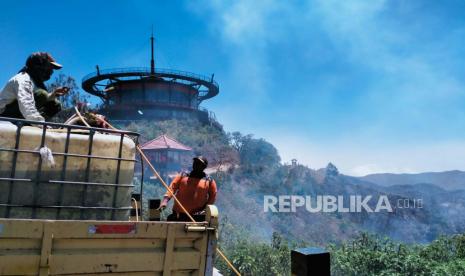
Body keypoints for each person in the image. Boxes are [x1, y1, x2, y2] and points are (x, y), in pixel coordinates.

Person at [0, 52, 69, 122]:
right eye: (49, 68)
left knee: (55, 104)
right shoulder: (23, 79)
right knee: (42, 94)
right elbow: (27, 105)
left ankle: (32, 123)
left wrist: (54, 94)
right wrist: (42, 125)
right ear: (38, 67)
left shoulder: (34, 81)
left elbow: (32, 98)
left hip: (16, 112)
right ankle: (32, 123)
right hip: (3, 115)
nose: (51, 72)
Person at [159, 156, 217, 222]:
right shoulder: (183, 176)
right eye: (195, 162)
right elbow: (172, 188)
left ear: (204, 167)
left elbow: (212, 197)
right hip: (178, 216)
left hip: (197, 218)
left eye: (198, 163)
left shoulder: (209, 181)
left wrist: (204, 210)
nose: (195, 164)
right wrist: (165, 201)